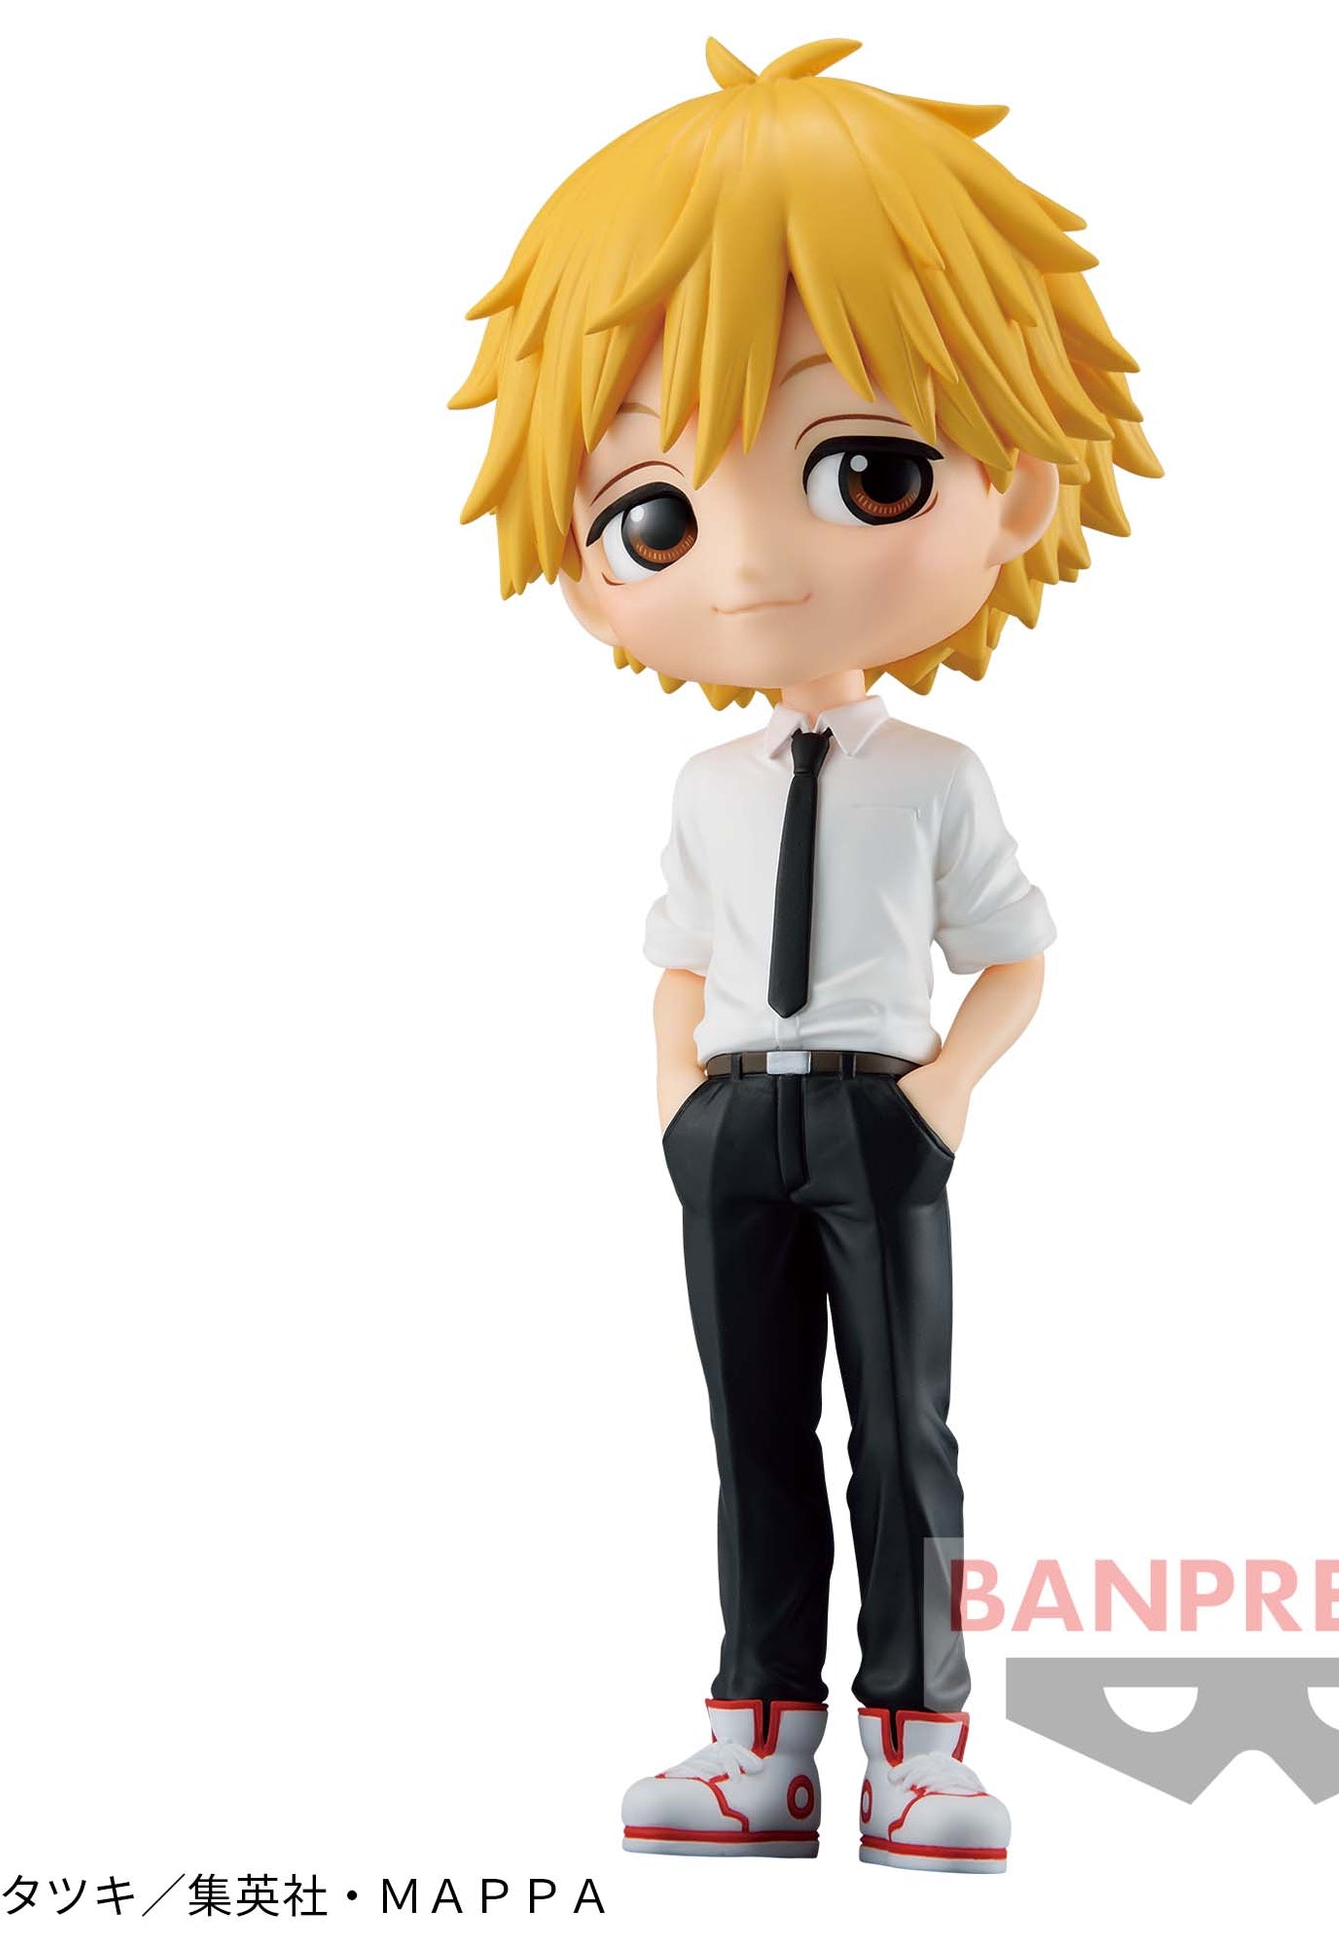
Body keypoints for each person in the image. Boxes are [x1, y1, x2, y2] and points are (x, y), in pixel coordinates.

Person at [451, 35, 1159, 1874]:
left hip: (873, 1115)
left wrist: (939, 1096)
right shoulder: (703, 784)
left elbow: (1015, 955)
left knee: (901, 1437)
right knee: (749, 1431)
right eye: (655, 511)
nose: (748, 563)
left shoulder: (936, 774)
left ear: (1010, 488)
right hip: (731, 1129)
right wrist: (675, 1104)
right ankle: (755, 1733)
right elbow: (677, 955)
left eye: (866, 467)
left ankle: (919, 1744)